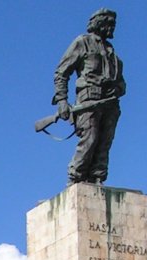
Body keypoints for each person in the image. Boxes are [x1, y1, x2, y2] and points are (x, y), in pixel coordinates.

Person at [52, 8, 125, 186]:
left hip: (110, 103)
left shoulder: (112, 52)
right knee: (89, 139)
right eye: (110, 24)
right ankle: (75, 178)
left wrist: (119, 87)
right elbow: (61, 73)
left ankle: (97, 177)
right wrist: (62, 100)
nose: (112, 28)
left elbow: (121, 81)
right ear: (99, 23)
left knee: (105, 141)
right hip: (88, 100)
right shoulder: (82, 42)